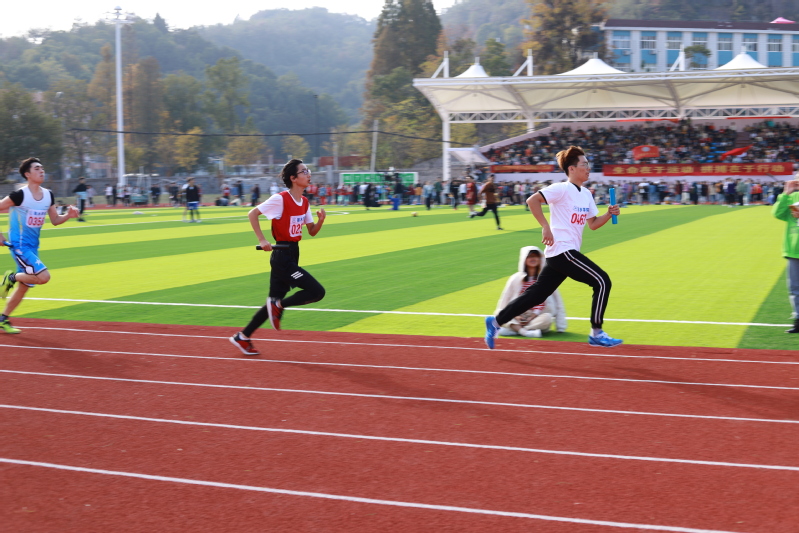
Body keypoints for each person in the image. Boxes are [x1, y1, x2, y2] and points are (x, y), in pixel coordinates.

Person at [484, 146, 622, 349]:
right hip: (563, 250)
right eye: (584, 164)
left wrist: (609, 214)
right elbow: (533, 200)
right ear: (572, 169)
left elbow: (592, 224)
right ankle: (596, 332)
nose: (588, 168)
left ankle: (495, 322)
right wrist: (545, 227)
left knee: (536, 295)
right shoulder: (561, 188)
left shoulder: (586, 194)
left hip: (563, 254)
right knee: (602, 281)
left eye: (588, 164)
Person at [230, 159, 326, 356]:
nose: (309, 174)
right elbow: (252, 214)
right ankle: (278, 306)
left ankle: (243, 336)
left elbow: (312, 231)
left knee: (272, 302)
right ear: (293, 178)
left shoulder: (305, 201)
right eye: (304, 171)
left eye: (308, 170)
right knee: (316, 291)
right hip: (282, 256)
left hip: (293, 252)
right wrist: (262, 239)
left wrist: (321, 220)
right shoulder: (280, 199)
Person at [0, 158, 79, 333]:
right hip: (19, 246)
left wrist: (68, 215)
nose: (41, 171)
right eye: (37, 168)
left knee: (24, 287)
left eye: (42, 168)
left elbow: (55, 220)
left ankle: (3, 319)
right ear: (27, 174)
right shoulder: (19, 195)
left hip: (33, 247)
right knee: (44, 277)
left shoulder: (48, 195)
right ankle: (11, 278)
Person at [495, 247, 567, 338]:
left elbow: (558, 302)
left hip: (536, 316)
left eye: (536, 256)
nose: (533, 259)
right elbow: (504, 300)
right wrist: (515, 316)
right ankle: (526, 332)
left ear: (540, 259)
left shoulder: (547, 278)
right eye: (530, 256)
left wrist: (561, 327)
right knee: (499, 313)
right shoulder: (515, 278)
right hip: (516, 314)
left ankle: (516, 330)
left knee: (547, 318)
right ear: (524, 259)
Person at [771, 175, 799, 333]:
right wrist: (785, 193)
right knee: (795, 289)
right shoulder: (793, 197)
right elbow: (777, 214)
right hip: (795, 250)